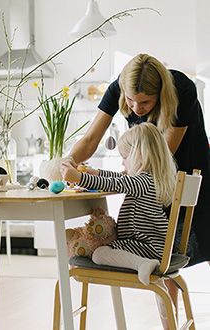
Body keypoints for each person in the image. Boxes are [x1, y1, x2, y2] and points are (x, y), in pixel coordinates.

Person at [64, 53, 210, 326]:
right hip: (156, 178)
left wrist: (118, 175)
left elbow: (161, 156)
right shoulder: (119, 88)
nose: (136, 107)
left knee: (203, 244)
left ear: (160, 94)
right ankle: (170, 324)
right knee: (166, 259)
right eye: (130, 101)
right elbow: (91, 138)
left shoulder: (181, 90)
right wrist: (68, 163)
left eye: (145, 102)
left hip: (184, 172)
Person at [61, 122, 177, 286]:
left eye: (125, 157)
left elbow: (116, 184)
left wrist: (79, 178)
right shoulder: (151, 179)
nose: (123, 163)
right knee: (102, 250)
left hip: (149, 248)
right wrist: (97, 173)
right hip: (154, 246)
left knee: (99, 254)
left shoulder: (142, 181)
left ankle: (142, 264)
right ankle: (146, 268)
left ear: (140, 155)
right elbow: (120, 179)